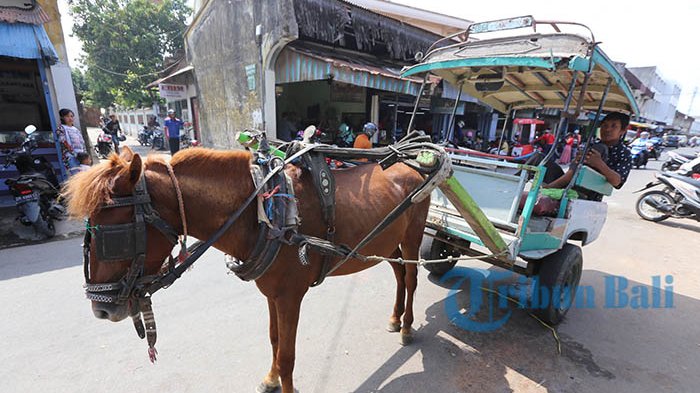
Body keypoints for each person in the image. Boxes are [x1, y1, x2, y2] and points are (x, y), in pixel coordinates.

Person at [545, 112, 632, 200]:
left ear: (622, 130)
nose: (607, 129)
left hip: (586, 194)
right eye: (605, 125)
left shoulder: (624, 153)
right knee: (538, 159)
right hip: (569, 182)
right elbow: (572, 170)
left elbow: (617, 182)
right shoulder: (591, 145)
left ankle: (548, 188)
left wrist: (599, 164)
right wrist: (576, 160)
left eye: (614, 126)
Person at [56, 108, 86, 175]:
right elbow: (63, 142)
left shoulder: (75, 129)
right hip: (70, 157)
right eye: (67, 116)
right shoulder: (61, 128)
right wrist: (74, 153)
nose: (70, 118)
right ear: (62, 117)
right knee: (76, 176)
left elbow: (82, 142)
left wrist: (84, 154)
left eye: (71, 116)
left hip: (80, 156)